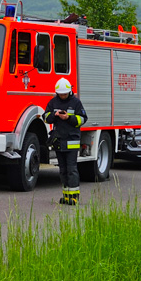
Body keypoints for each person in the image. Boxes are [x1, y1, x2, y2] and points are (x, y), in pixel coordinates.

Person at [42, 77, 87, 206]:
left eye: (64, 94)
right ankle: (66, 196)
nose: (62, 96)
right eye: (60, 94)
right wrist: (54, 116)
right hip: (59, 141)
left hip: (72, 140)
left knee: (71, 169)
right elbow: (46, 117)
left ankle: (74, 197)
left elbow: (83, 119)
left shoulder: (76, 103)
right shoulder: (53, 102)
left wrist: (69, 118)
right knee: (62, 170)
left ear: (69, 92)